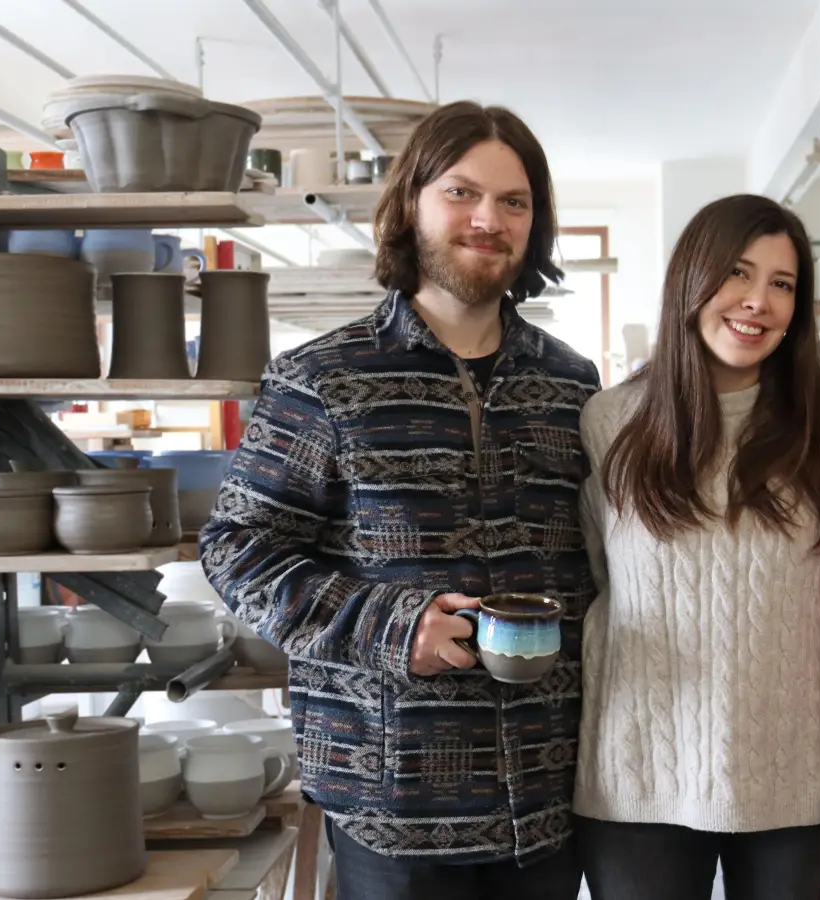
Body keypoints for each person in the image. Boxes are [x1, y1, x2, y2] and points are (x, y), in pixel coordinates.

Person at [198, 101, 601, 900]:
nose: (488, 219)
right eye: (461, 193)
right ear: (411, 203)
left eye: (514, 202)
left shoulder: (570, 384)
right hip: (390, 800)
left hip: (548, 791)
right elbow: (237, 547)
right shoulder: (322, 378)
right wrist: (388, 624)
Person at [572, 193, 820, 900]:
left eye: (782, 284)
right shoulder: (609, 422)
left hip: (798, 783)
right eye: (738, 272)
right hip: (640, 778)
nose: (758, 301)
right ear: (691, 279)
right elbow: (598, 580)